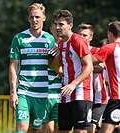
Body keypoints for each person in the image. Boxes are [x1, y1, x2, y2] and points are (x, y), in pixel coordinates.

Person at [9, 3, 58, 133]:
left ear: (44, 18)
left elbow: (53, 65)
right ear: (28, 18)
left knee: (35, 129)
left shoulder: (49, 39)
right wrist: (13, 92)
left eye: (37, 17)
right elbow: (13, 66)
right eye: (31, 17)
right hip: (23, 91)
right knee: (22, 127)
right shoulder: (19, 38)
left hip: (42, 93)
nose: (34, 20)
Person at [52, 10, 94, 133]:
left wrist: (73, 83)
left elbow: (89, 66)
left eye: (61, 24)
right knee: (62, 130)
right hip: (65, 95)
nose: (57, 27)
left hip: (81, 93)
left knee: (80, 131)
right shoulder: (60, 44)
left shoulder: (77, 40)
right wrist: (54, 57)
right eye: (56, 24)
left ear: (70, 25)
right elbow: (55, 67)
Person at [78, 24, 109, 133]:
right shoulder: (75, 51)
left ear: (91, 37)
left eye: (85, 35)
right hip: (83, 96)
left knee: (91, 127)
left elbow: (101, 68)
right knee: (83, 128)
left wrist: (85, 66)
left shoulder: (97, 51)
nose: (82, 37)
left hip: (98, 98)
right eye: (80, 34)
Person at [92, 20, 120, 133]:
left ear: (110, 34)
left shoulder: (109, 48)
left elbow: (88, 62)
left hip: (116, 97)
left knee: (106, 130)